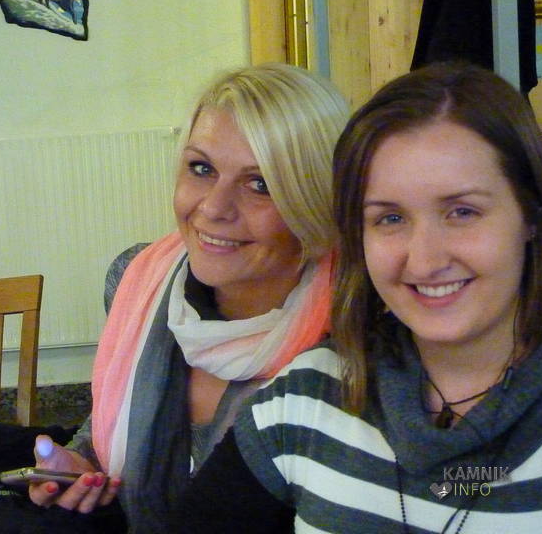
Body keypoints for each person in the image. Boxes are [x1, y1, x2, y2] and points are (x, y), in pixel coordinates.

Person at [171, 62, 542, 532]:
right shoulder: (309, 396)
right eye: (390, 218)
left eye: (462, 212)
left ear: (531, 214)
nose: (424, 261)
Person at [25, 63, 350, 532]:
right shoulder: (138, 282)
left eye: (260, 184)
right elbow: (107, 428)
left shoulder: (351, 339)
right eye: (202, 169)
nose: (213, 207)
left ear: (316, 201)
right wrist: (79, 466)